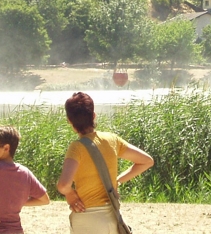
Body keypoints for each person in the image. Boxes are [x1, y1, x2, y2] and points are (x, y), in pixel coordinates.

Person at [57, 91, 154, 234]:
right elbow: (146, 161)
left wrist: (70, 194)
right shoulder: (111, 140)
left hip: (85, 217)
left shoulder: (76, 148)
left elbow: (64, 185)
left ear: (69, 121)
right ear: (94, 116)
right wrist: (116, 182)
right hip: (111, 217)